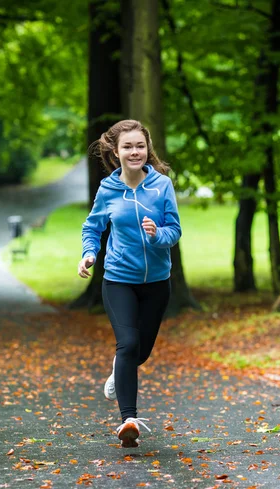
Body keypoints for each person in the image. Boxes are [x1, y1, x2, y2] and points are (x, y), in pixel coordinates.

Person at [78, 119, 182, 448]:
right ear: (116, 151)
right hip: (119, 279)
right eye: (128, 146)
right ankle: (128, 420)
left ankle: (118, 372)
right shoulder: (109, 190)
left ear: (147, 149)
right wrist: (89, 254)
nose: (134, 151)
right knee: (127, 344)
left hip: (156, 283)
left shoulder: (162, 186)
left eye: (140, 146)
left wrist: (156, 235)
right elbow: (92, 227)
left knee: (141, 351)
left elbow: (174, 232)